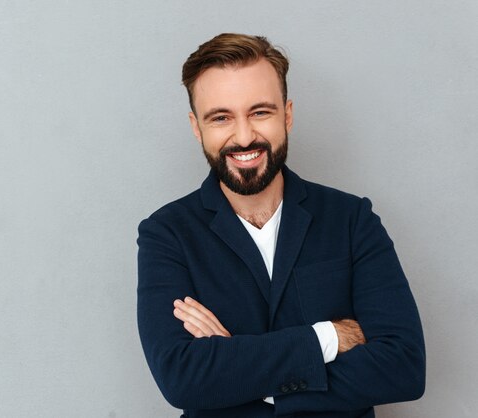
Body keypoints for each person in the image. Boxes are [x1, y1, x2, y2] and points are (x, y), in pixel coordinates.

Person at [136, 33, 425, 418]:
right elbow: (182, 378)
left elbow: (404, 366)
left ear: (287, 114)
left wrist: (248, 377)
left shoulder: (352, 219)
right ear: (196, 126)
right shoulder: (166, 234)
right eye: (221, 117)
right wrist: (328, 336)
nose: (243, 136)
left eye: (260, 112)